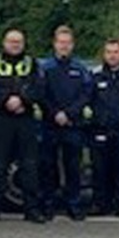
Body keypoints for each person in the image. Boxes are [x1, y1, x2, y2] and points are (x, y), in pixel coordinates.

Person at [0, 29, 45, 224]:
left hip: (26, 119)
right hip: (2, 119)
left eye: (19, 42)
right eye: (11, 41)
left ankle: (32, 210)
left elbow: (39, 89)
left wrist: (21, 100)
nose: (15, 45)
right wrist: (6, 100)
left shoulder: (33, 64)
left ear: (24, 44)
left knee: (30, 166)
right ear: (4, 43)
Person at [39, 26, 92, 221]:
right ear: (55, 44)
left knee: (73, 167)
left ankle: (74, 204)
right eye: (61, 42)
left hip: (73, 125)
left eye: (67, 43)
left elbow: (86, 94)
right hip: (50, 124)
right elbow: (41, 94)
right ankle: (48, 204)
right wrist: (55, 113)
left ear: (72, 45)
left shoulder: (80, 68)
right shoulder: (45, 67)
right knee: (48, 166)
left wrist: (69, 113)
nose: (64, 46)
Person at [89, 38, 119, 219]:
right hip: (100, 129)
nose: (112, 56)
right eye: (109, 52)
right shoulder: (95, 75)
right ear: (104, 54)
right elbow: (88, 99)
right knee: (100, 169)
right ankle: (100, 203)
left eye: (116, 52)